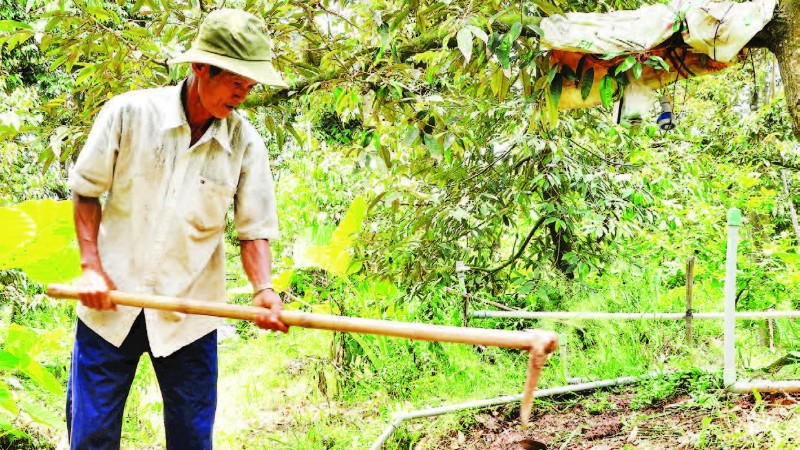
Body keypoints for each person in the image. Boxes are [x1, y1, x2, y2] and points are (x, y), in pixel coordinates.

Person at [66, 9, 289, 449]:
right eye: (236, 82)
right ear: (201, 67)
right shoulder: (129, 114)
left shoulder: (244, 143)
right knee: (91, 437)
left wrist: (263, 288)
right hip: (111, 304)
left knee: (191, 440)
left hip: (190, 316)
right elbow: (86, 191)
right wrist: (90, 267)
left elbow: (254, 230)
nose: (242, 95)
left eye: (249, 86)